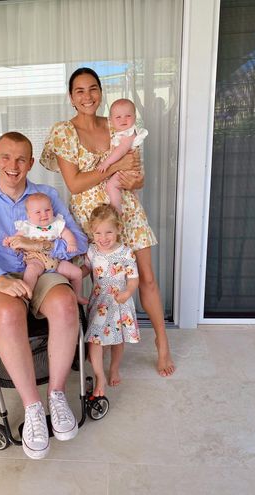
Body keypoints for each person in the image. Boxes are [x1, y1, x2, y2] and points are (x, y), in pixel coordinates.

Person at [0, 131, 88, 460]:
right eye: (6, 157)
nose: (13, 165)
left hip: (41, 268)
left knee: (65, 303)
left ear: (30, 163)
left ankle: (56, 397)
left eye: (20, 159)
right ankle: (32, 408)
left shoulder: (46, 194)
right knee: (9, 312)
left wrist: (35, 246)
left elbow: (79, 242)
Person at [40, 67, 175, 377]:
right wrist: (113, 168)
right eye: (79, 91)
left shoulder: (117, 124)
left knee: (146, 278)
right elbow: (74, 184)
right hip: (91, 220)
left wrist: (129, 175)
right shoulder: (64, 131)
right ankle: (97, 345)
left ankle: (161, 341)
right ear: (70, 97)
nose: (87, 96)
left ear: (101, 92)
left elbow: (137, 178)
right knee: (97, 282)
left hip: (126, 211)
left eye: (93, 89)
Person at [85, 204, 139, 396]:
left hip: (119, 302)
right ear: (92, 232)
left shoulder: (125, 253)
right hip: (99, 302)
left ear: (118, 229)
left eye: (108, 232)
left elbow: (133, 278)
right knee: (94, 340)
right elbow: (85, 269)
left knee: (117, 339)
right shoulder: (92, 251)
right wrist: (72, 274)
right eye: (98, 233)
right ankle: (100, 375)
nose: (103, 238)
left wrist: (128, 292)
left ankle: (114, 367)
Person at [2, 192, 88, 305]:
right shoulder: (27, 226)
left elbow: (67, 233)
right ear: (29, 215)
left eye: (47, 210)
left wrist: (71, 243)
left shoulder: (56, 224)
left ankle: (77, 296)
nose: (44, 214)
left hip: (56, 259)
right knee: (31, 270)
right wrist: (9, 241)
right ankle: (28, 296)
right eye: (38, 212)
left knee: (77, 272)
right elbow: (17, 238)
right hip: (36, 258)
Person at [97, 98, 148, 212]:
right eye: (118, 117)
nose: (123, 120)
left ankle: (116, 211)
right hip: (128, 170)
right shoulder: (122, 132)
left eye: (128, 116)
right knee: (132, 193)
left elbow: (121, 150)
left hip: (129, 171)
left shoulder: (128, 133)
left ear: (135, 117)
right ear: (111, 120)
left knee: (111, 186)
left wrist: (106, 163)